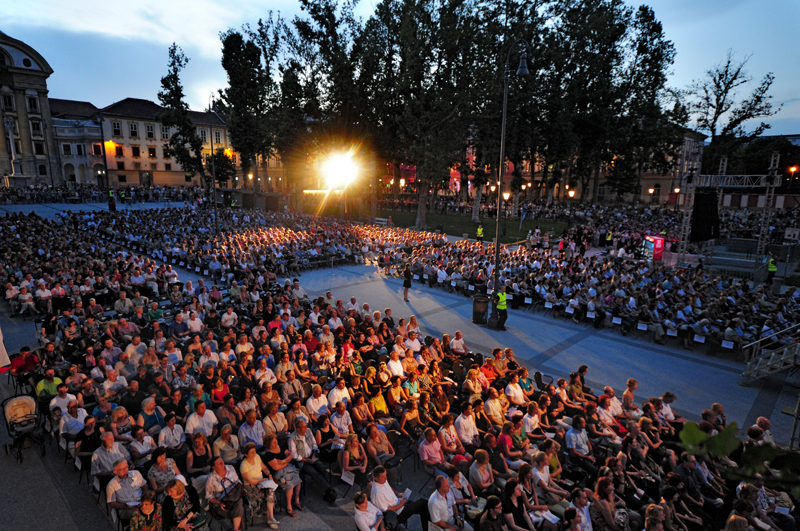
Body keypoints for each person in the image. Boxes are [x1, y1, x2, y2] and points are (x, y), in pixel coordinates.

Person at [370, 465, 431, 531]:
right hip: (397, 514)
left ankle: (428, 528)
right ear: (376, 478)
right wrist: (401, 504)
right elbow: (386, 510)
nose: (386, 478)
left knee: (424, 507)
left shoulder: (382, 481)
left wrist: (399, 494)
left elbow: (390, 488)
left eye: (386, 475)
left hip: (399, 503)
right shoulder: (377, 493)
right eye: (383, 477)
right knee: (421, 502)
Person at [239, 442, 279, 529]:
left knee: (270, 491)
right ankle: (270, 519)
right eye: (252, 452)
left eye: (254, 451)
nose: (254, 453)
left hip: (262, 482)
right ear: (246, 454)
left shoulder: (257, 457)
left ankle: (271, 518)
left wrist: (269, 475)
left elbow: (264, 467)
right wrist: (263, 480)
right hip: (251, 486)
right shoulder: (244, 465)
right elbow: (251, 480)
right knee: (266, 494)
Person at [263, 434, 302, 516]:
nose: (276, 442)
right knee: (290, 484)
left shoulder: (280, 446)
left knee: (298, 480)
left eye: (276, 440)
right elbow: (276, 467)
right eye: (274, 442)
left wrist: (283, 461)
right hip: (278, 474)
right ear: (269, 444)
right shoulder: (268, 455)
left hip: (287, 468)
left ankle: (296, 500)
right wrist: (286, 460)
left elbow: (290, 455)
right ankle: (289, 506)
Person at [205, 456, 244, 531]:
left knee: (238, 501)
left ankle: (235, 529)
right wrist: (219, 503)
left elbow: (238, 482)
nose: (222, 464)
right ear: (213, 467)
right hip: (222, 503)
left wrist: (240, 490)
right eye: (219, 463)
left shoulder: (230, 468)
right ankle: (237, 528)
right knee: (238, 510)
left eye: (222, 461)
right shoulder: (211, 478)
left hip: (234, 497)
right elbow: (208, 496)